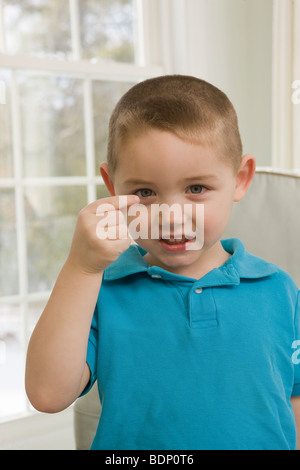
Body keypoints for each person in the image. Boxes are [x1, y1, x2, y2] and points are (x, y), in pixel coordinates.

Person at [25, 75, 300, 450]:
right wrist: (82, 267)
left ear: (240, 179)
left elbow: (294, 401)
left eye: (196, 189)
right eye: (145, 192)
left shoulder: (280, 290)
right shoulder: (98, 291)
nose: (171, 216)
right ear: (112, 186)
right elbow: (46, 394)